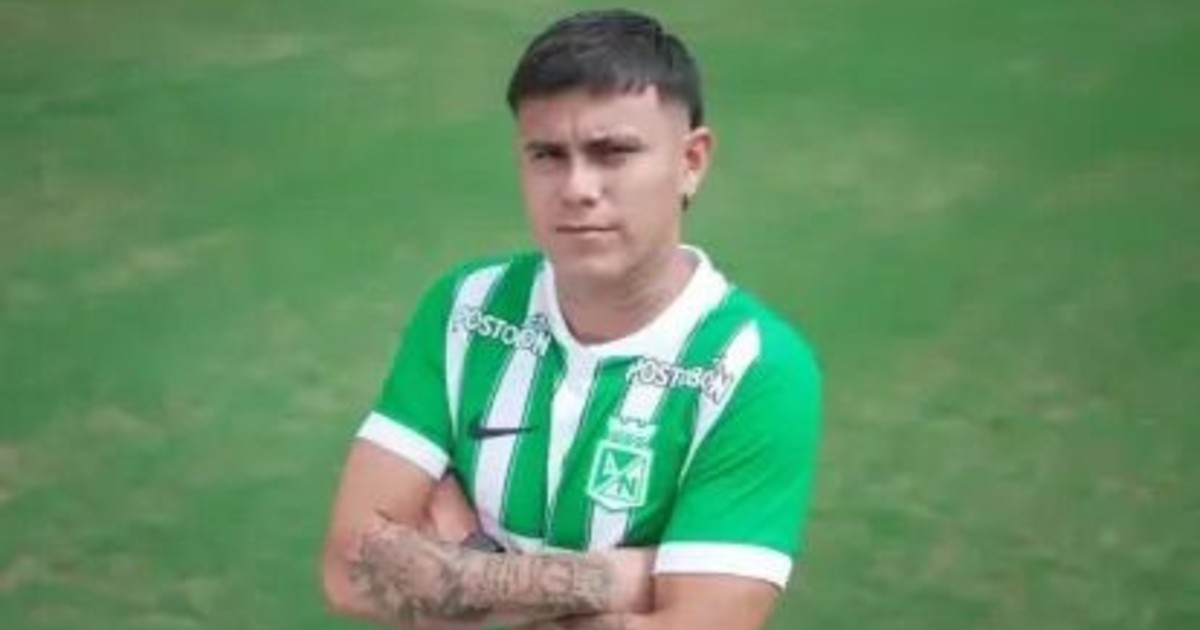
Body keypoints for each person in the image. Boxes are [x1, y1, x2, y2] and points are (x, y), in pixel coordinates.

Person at [321, 9, 821, 630]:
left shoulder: (755, 367)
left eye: (613, 153)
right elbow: (350, 569)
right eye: (548, 155)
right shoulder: (468, 308)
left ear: (691, 161)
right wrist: (629, 577)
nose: (577, 187)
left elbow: (706, 621)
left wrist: (461, 573)